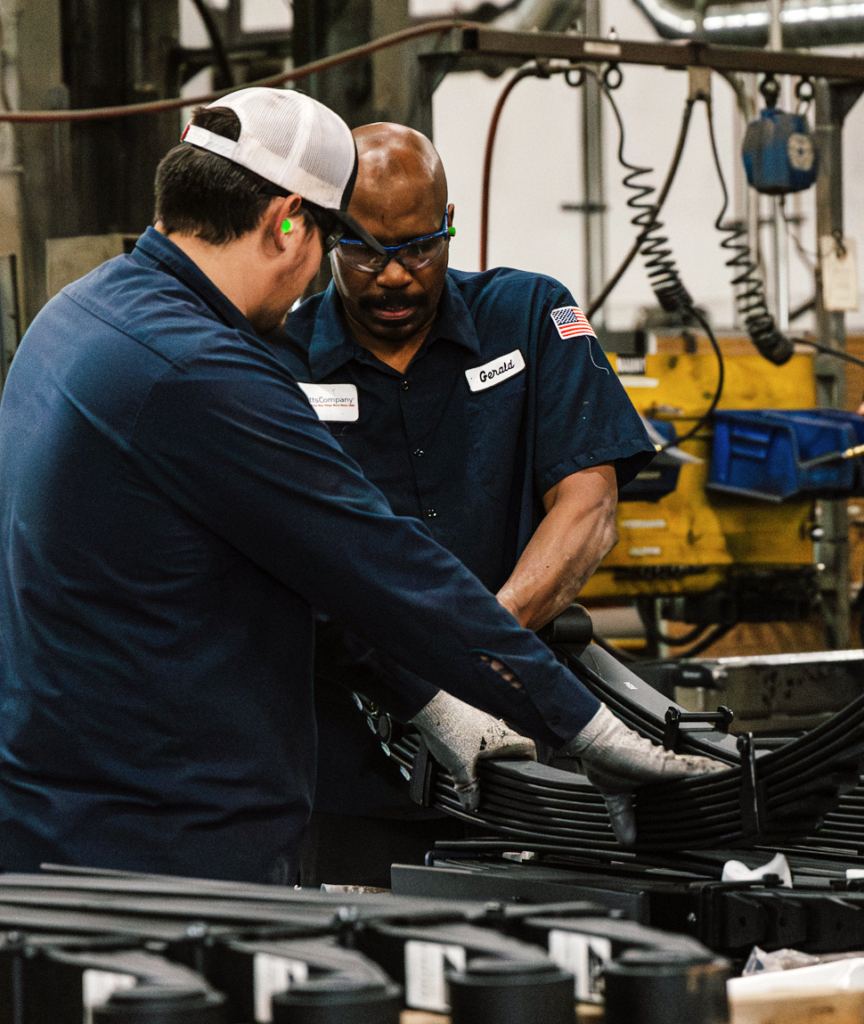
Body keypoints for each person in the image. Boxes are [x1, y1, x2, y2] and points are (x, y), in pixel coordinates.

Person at [0, 89, 722, 886]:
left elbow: (304, 575)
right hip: (161, 835)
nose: (382, 275)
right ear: (285, 222)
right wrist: (584, 725)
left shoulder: (77, 314)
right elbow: (373, 564)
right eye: (344, 243)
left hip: (65, 812)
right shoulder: (202, 370)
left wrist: (434, 698)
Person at [279, 123, 663, 887]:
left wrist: (476, 657)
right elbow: (294, 560)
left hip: (528, 760)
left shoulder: (529, 316)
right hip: (348, 776)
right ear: (324, 234)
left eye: (418, 248)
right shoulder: (276, 360)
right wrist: (424, 684)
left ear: (451, 223)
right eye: (362, 249)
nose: (392, 276)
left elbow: (589, 505)